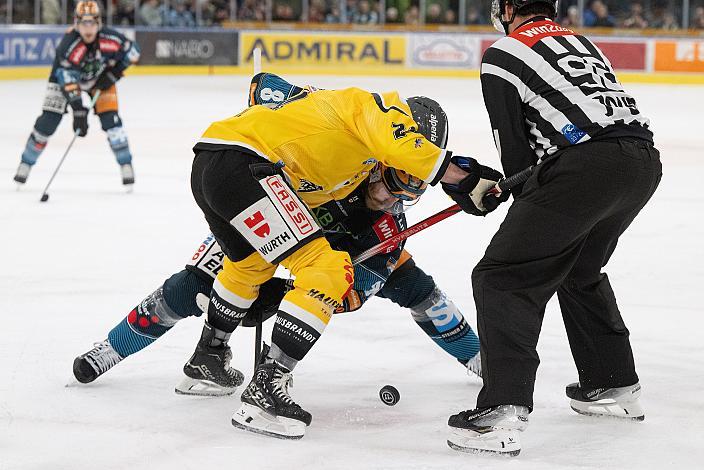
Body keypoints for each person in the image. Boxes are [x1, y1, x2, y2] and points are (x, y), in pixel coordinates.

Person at [179, 72, 504, 439]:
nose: (398, 192)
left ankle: (208, 355)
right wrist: (463, 179)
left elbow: (265, 85)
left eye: (413, 186)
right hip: (247, 167)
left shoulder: (353, 165)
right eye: (400, 176)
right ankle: (266, 389)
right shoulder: (379, 109)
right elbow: (403, 147)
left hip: (211, 161)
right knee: (327, 269)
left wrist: (279, 296)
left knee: (249, 265)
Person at [447, 0, 662, 456]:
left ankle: (501, 411)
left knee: (503, 277)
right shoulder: (579, 41)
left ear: (507, 7)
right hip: (641, 162)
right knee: (578, 269)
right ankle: (613, 384)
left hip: (584, 168)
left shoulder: (504, 52)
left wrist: (513, 195)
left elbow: (514, 148)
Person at [13, 1, 140, 187]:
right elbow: (66, 77)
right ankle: (26, 162)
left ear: (99, 23)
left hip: (99, 80)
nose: (88, 29)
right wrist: (78, 109)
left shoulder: (110, 39)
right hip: (62, 81)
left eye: (92, 23)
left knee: (112, 121)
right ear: (76, 23)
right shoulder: (68, 45)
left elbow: (133, 51)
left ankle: (125, 163)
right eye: (83, 23)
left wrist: (114, 73)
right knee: (47, 121)